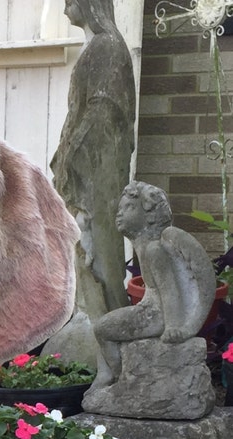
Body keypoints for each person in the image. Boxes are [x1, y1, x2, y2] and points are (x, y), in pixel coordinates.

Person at [51, 0, 136, 320]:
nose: (64, 10)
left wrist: (71, 160)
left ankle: (105, 323)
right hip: (84, 166)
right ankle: (87, 320)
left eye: (70, 2)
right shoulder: (96, 46)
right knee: (82, 251)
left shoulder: (107, 47)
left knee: (97, 249)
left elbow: (103, 110)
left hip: (96, 172)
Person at [92, 182, 216, 387]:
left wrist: (174, 326)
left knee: (102, 329)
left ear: (149, 216)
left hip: (157, 316)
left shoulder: (154, 251)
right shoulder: (146, 247)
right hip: (149, 309)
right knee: (102, 327)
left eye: (129, 208)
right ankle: (110, 377)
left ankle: (118, 380)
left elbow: (169, 290)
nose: (119, 214)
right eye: (119, 209)